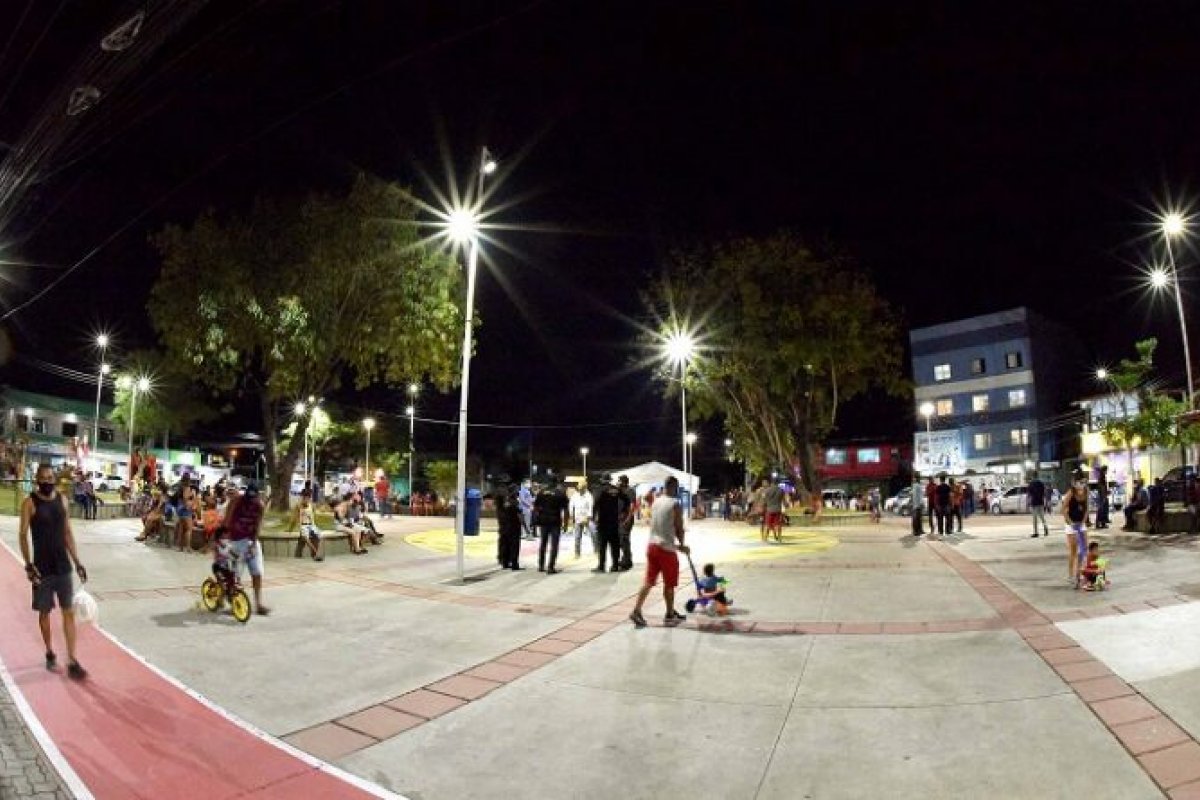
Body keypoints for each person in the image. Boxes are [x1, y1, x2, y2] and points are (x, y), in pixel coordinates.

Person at [18, 464, 88, 679]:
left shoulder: (63, 501)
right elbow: (22, 535)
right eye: (43, 478)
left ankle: (72, 660)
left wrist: (77, 562)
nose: (48, 481)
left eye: (51, 477)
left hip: (63, 567)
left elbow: (67, 533)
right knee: (44, 612)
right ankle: (49, 650)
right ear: (37, 480)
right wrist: (29, 564)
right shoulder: (29, 503)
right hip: (42, 569)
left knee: (68, 612)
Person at [630, 476, 691, 628]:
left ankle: (637, 610)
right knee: (669, 584)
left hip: (652, 546)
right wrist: (682, 545)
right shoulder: (675, 503)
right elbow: (679, 527)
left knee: (649, 581)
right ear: (674, 487)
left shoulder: (656, 501)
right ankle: (669, 614)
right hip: (666, 550)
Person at [223, 481, 270, 614]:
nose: (250, 500)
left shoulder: (260, 505)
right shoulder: (236, 501)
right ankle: (234, 604)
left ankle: (259, 604)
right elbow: (227, 520)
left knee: (257, 573)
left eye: (253, 497)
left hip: (250, 542)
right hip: (235, 542)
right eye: (248, 497)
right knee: (235, 576)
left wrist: (254, 543)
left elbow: (258, 525)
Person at [534, 481, 568, 574]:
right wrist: (565, 524)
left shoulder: (541, 493)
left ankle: (541, 565)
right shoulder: (560, 494)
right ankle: (550, 567)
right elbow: (566, 510)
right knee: (554, 545)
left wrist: (538, 517)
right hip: (555, 522)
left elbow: (536, 507)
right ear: (556, 484)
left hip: (544, 521)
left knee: (543, 543)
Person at [592, 476, 622, 573]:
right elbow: (626, 500)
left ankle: (601, 566)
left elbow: (595, 504)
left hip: (603, 521)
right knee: (614, 545)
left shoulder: (599, 490)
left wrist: (593, 516)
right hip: (614, 521)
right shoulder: (616, 489)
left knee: (602, 545)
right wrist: (622, 512)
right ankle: (615, 565)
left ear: (602, 480)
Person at [1062, 482, 1089, 588]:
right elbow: (1063, 509)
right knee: (1073, 550)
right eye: (1078, 483)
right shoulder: (1071, 493)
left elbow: (1087, 509)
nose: (1080, 485)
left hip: (1081, 523)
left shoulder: (1086, 492)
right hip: (1071, 523)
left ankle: (1080, 574)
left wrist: (1083, 521)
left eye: (1082, 482)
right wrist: (1070, 522)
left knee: (1084, 549)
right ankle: (1071, 575)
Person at [497, 484, 524, 570]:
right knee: (514, 545)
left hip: (504, 526)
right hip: (514, 526)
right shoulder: (514, 501)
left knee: (505, 544)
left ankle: (505, 562)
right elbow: (519, 514)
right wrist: (524, 524)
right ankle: (514, 564)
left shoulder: (504, 501)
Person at [293, 492, 324, 561]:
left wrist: (315, 525)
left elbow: (313, 516)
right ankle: (316, 553)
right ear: (302, 498)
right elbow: (295, 518)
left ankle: (314, 553)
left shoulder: (312, 505)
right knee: (306, 539)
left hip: (311, 525)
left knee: (319, 536)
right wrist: (291, 528)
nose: (306, 500)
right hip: (303, 525)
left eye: (308, 498)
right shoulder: (298, 506)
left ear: (309, 499)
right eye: (304, 498)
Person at [570, 481, 594, 558]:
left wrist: (588, 517)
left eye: (581, 488)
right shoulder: (575, 495)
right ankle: (577, 553)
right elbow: (571, 505)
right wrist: (571, 516)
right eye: (579, 488)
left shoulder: (589, 495)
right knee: (577, 536)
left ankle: (597, 550)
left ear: (585, 488)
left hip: (587, 518)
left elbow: (591, 507)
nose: (580, 490)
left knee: (594, 533)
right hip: (578, 518)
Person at [617, 475, 636, 570]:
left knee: (624, 539)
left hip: (626, 519)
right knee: (621, 540)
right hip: (620, 519)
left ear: (624, 482)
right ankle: (626, 559)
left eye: (619, 481)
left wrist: (628, 519)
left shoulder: (630, 491)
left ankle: (627, 561)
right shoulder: (620, 491)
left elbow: (632, 506)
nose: (618, 482)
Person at [175, 475, 198, 552]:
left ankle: (180, 547)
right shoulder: (187, 487)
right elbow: (185, 497)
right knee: (188, 529)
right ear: (188, 480)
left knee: (181, 528)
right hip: (185, 509)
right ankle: (188, 547)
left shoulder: (180, 487)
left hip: (180, 508)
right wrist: (193, 494)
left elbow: (181, 498)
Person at [762, 478, 785, 543]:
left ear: (771, 483)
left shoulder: (767, 490)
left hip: (769, 509)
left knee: (767, 524)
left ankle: (765, 538)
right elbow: (783, 500)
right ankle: (779, 538)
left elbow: (764, 501)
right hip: (778, 509)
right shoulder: (781, 490)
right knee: (777, 524)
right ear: (778, 483)